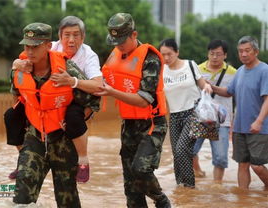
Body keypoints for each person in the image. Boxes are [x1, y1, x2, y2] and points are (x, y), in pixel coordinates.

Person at [9, 16, 102, 183]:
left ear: (83, 37)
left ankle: (83, 160)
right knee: (12, 115)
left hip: (77, 99)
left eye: (76, 35)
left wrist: (72, 82)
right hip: (45, 100)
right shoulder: (45, 47)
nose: (71, 40)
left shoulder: (89, 56)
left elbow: (98, 86)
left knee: (73, 117)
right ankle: (22, 159)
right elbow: (22, 60)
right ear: (59, 36)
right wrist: (17, 63)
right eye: (67, 35)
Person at [94, 13, 171, 208]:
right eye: (115, 40)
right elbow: (99, 80)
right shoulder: (115, 54)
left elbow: (144, 100)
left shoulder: (150, 58)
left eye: (121, 40)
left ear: (134, 34)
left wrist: (112, 92)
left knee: (141, 170)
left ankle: (161, 200)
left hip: (152, 123)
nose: (118, 45)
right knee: (130, 183)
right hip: (128, 123)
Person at [11, 22, 81, 206]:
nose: (30, 51)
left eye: (35, 46)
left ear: (48, 45)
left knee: (67, 198)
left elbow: (91, 101)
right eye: (27, 46)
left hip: (63, 140)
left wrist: (75, 123)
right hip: (34, 136)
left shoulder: (67, 68)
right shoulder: (19, 70)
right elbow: (16, 95)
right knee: (22, 192)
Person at [211, 36, 268, 189]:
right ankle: (243, 199)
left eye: (247, 51)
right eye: (240, 51)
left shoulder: (264, 70)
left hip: (259, 128)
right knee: (242, 165)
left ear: (256, 51)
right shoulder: (240, 71)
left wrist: (259, 121)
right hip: (239, 127)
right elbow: (229, 92)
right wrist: (211, 87)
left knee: (257, 165)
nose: (243, 54)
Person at [158, 38, 212, 188]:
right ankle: (180, 188)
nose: (166, 58)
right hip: (174, 116)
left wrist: (207, 87)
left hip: (193, 113)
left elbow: (202, 83)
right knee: (177, 154)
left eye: (169, 54)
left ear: (177, 52)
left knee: (182, 150)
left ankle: (189, 187)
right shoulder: (161, 70)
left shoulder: (190, 65)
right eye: (163, 55)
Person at [192, 40, 237, 182]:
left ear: (225, 55)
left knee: (220, 157)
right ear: (208, 54)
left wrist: (211, 87)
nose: (215, 57)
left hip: (222, 121)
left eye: (218, 54)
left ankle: (217, 184)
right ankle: (198, 171)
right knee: (189, 150)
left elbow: (231, 93)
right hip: (200, 118)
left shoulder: (233, 72)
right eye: (212, 54)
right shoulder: (197, 69)